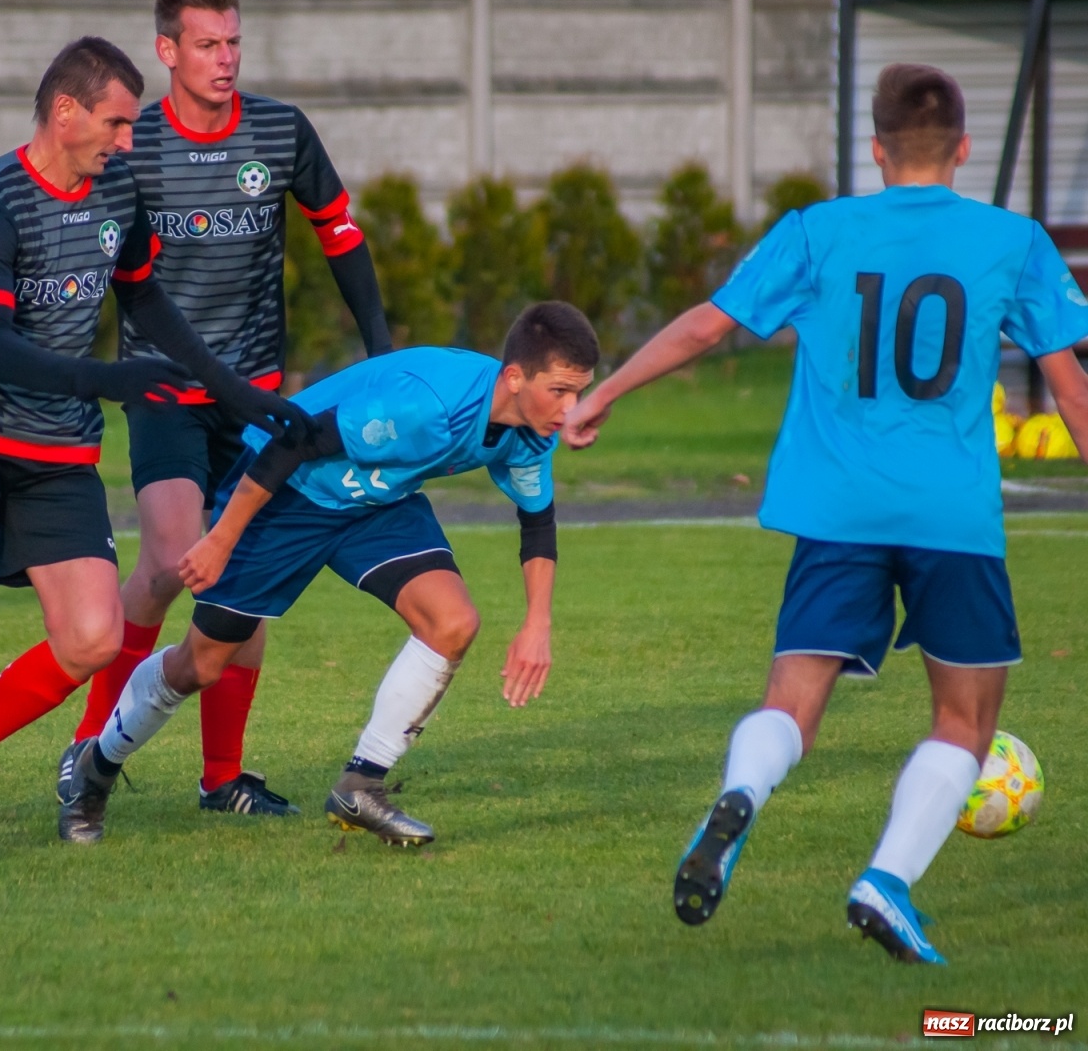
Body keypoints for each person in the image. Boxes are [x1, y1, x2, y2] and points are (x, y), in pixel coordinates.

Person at [561, 64, 1088, 964]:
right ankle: (886, 881)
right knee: (965, 723)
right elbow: (1070, 388)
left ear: (876, 150)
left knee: (792, 706)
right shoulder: (1014, 241)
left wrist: (602, 393)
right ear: (963, 148)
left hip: (838, 509)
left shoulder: (818, 231)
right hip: (950, 516)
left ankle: (742, 794)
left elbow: (705, 326)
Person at [0, 37, 309, 872]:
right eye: (117, 123)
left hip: (56, 445)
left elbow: (146, 301)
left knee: (92, 637)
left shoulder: (117, 190)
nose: (128, 139)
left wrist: (241, 394)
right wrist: (109, 379)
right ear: (65, 111)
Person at [58, 302, 598, 847]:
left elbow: (538, 523)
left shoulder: (532, 432)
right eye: (559, 391)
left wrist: (537, 623)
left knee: (452, 622)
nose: (570, 409)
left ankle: (361, 785)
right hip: (289, 491)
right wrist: (221, 539)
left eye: (579, 392)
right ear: (515, 377)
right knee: (197, 666)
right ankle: (96, 767)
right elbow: (297, 442)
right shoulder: (427, 404)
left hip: (378, 501)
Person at [58, 0, 394, 818]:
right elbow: (95, 262)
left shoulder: (279, 131)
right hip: (166, 388)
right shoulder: (131, 146)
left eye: (234, 43)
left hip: (257, 398)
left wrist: (381, 350)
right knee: (173, 559)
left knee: (242, 575)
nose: (226, 59)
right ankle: (89, 746)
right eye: (208, 45)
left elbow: (339, 233)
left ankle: (222, 778)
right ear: (168, 51)